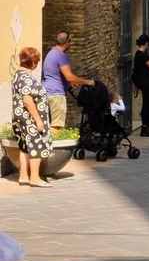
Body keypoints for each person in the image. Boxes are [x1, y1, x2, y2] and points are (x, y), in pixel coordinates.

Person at [12, 47, 53, 188]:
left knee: (24, 147)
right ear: (34, 63)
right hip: (30, 118)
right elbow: (28, 101)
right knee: (37, 145)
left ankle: (23, 176)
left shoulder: (17, 75)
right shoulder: (26, 78)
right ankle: (34, 178)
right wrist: (38, 120)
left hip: (20, 118)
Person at [42, 31, 94, 135]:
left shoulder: (51, 53)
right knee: (56, 126)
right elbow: (69, 76)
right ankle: (51, 150)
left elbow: (54, 74)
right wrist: (87, 82)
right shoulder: (61, 55)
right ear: (67, 43)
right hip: (56, 94)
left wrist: (68, 84)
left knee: (46, 123)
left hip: (45, 91)